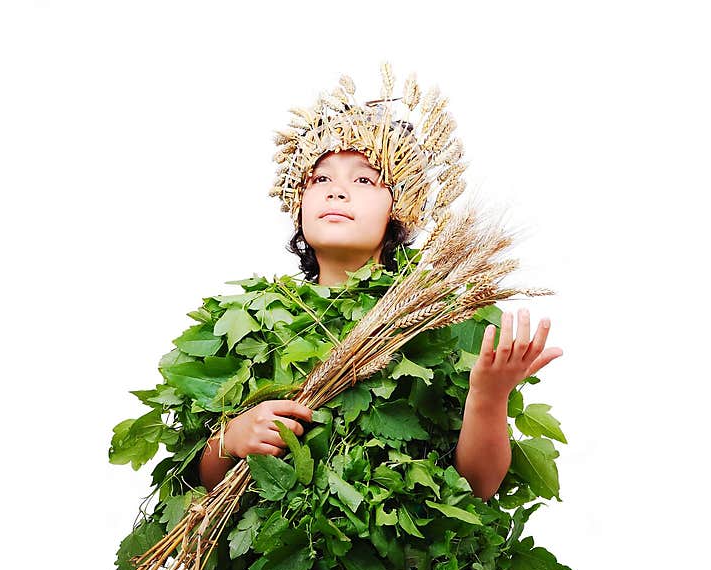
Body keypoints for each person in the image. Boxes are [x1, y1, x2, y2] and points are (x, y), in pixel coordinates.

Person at [198, 67, 562, 500]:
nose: (337, 191)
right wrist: (229, 439)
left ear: (398, 206)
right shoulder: (248, 320)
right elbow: (202, 487)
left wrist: (488, 394)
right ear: (299, 201)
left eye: (364, 179)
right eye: (320, 178)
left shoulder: (440, 322)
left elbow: (476, 489)